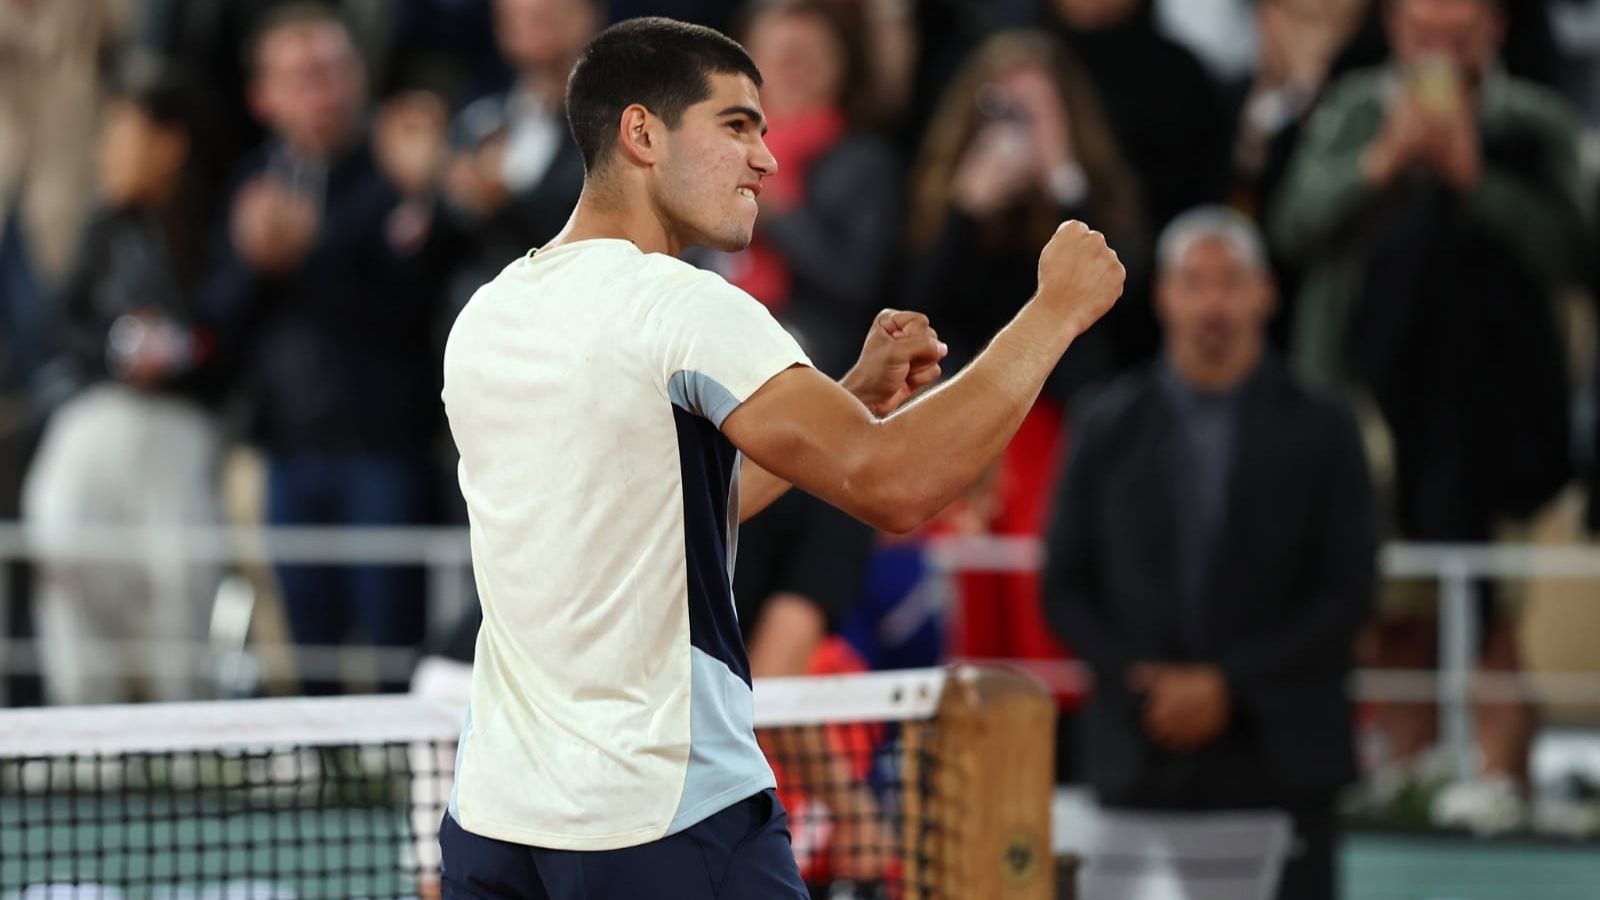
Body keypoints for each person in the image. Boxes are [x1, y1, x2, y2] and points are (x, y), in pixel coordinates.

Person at [436, 16, 1124, 899]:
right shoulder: (682, 305)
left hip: (495, 825)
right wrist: (1053, 314)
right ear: (641, 133)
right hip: (665, 820)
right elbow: (899, 484)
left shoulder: (491, 314)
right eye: (736, 126)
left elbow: (664, 511)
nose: (765, 158)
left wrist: (844, 401)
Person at [1271, 0, 1586, 818]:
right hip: (1371, 414)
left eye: (1459, 33)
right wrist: (1384, 160)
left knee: (1495, 627)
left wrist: (1474, 176)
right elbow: (1294, 225)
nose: (1441, 51)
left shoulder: (1535, 124)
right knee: (1397, 624)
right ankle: (1403, 802)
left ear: (1496, 32)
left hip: (1502, 422)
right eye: (1424, 33)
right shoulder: (1352, 112)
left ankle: (1503, 812)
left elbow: (1576, 249)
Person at [1044, 207, 1376, 900]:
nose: (1213, 301)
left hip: (1283, 760)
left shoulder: (1325, 426)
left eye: (1232, 281)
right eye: (1194, 282)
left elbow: (1350, 591)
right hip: (1139, 754)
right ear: (1164, 295)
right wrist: (1150, 683)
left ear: (1266, 293)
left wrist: (1227, 686)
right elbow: (1065, 587)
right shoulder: (1105, 423)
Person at [203, 3, 455, 695]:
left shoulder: (397, 169)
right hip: (288, 451)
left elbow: (413, 298)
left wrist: (413, 200)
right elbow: (217, 325)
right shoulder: (252, 184)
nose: (324, 88)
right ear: (263, 96)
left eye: (335, 70)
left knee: (391, 652)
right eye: (303, 75)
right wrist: (258, 262)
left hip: (386, 449)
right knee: (307, 653)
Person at [22, 64, 224, 705]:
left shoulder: (212, 224)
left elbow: (225, 328)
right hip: (95, 422)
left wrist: (181, 347)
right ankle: (85, 733)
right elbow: (61, 328)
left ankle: (181, 733)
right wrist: (117, 345)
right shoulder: (102, 226)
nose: (109, 151)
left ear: (170, 143)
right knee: (68, 559)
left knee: (178, 577)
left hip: (181, 432)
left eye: (124, 134)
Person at [709, 0, 903, 380]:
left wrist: (781, 215)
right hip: (706, 340)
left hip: (813, 361)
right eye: (783, 56)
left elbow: (859, 284)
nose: (795, 69)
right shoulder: (709, 150)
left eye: (811, 58)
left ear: (842, 67)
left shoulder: (864, 161)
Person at [441, 0, 597, 306]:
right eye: (516, 19)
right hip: (477, 317)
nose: (531, 29)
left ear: (587, 15)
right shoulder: (478, 120)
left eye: (544, 15)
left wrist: (505, 203)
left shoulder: (618, 126)